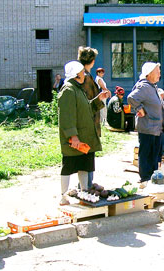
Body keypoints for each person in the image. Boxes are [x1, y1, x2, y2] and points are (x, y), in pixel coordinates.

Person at [57, 61, 110, 205]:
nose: (84, 74)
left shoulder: (78, 89)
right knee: (68, 165)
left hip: (84, 137)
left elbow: (86, 109)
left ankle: (85, 194)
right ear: (76, 74)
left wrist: (99, 99)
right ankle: (63, 196)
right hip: (76, 138)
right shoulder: (68, 90)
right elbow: (66, 116)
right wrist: (73, 136)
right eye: (82, 72)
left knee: (84, 165)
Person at [128, 62, 164, 188]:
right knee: (146, 154)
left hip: (155, 127)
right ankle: (145, 179)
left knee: (154, 155)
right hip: (148, 127)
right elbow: (131, 98)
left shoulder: (152, 86)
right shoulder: (144, 86)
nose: (159, 73)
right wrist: (139, 108)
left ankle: (152, 179)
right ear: (149, 74)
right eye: (157, 71)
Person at [78, 46, 104, 189]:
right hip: (89, 121)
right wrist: (101, 97)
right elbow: (92, 100)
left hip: (83, 120)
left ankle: (85, 184)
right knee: (88, 153)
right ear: (92, 61)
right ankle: (86, 186)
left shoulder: (80, 75)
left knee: (85, 153)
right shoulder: (87, 77)